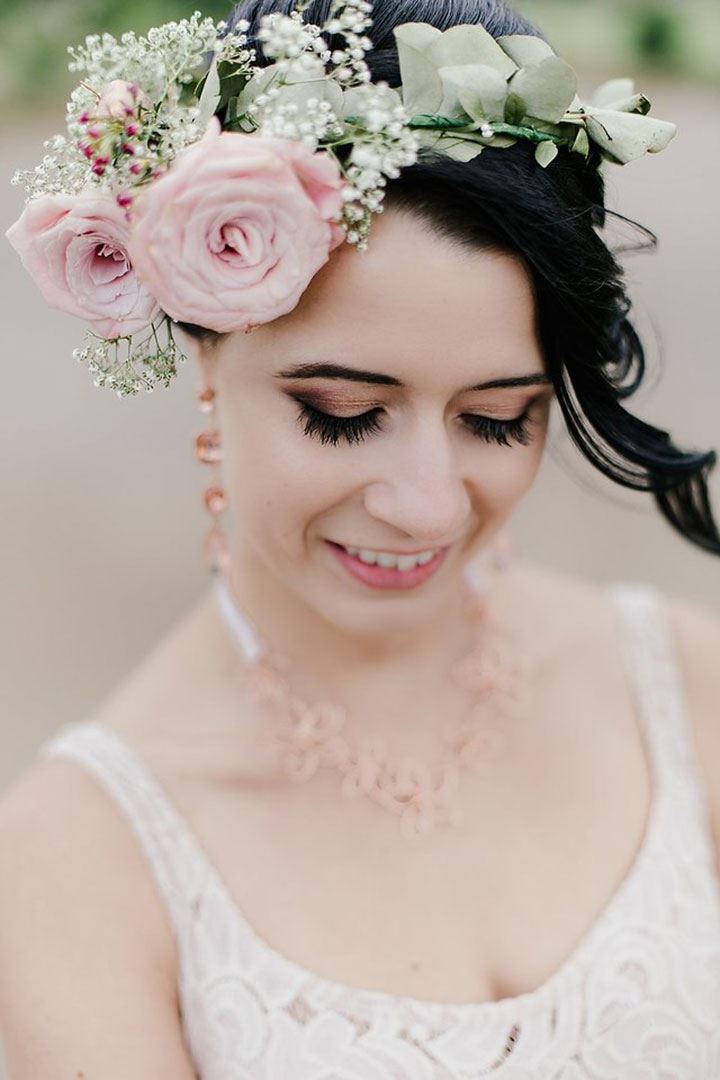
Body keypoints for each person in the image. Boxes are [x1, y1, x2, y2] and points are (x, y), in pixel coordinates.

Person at [2, 0, 720, 1076]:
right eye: (342, 412)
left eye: (497, 418)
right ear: (204, 355)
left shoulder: (686, 683)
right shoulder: (71, 865)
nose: (428, 506)